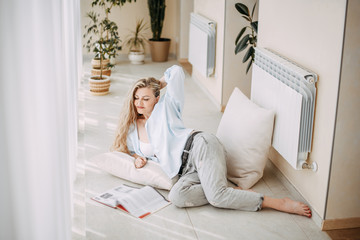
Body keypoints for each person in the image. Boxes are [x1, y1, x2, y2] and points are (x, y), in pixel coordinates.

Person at [111, 65, 312, 218]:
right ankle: (222, 187)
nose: (139, 103)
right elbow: (133, 151)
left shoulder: (167, 106)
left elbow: (177, 71)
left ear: (156, 98)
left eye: (145, 98)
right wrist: (137, 157)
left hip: (200, 147)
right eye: (137, 98)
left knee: (217, 198)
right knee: (177, 197)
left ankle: (276, 202)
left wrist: (158, 84)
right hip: (186, 171)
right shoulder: (132, 130)